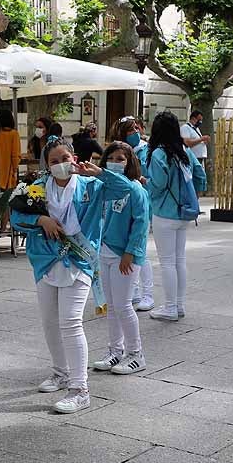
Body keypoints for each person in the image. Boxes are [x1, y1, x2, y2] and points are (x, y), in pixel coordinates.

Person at [11, 135, 133, 414]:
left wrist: (100, 172)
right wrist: (39, 219)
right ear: (47, 165)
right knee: (49, 321)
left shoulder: (92, 184)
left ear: (74, 156)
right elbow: (16, 216)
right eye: (54, 161)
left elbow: (126, 190)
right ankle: (60, 371)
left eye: (65, 159)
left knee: (70, 322)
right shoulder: (37, 187)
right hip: (45, 260)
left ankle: (80, 389)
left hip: (79, 260)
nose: (60, 165)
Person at [91, 141, 150, 376]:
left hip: (124, 255)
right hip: (104, 252)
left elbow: (141, 223)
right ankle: (116, 350)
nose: (115, 163)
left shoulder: (136, 189)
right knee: (112, 306)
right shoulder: (104, 187)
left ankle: (136, 354)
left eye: (121, 159)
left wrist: (130, 252)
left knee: (124, 305)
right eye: (111, 158)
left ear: (130, 163)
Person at [145, 111, 207, 320]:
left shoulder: (158, 154)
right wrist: (194, 195)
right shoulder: (184, 151)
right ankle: (179, 305)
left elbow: (158, 185)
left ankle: (170, 307)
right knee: (179, 260)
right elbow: (200, 175)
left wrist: (146, 185)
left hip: (164, 212)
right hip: (184, 213)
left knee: (167, 262)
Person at [108, 116, 154, 311]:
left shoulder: (146, 149)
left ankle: (148, 293)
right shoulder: (115, 151)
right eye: (130, 129)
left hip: (139, 202)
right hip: (118, 206)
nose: (136, 131)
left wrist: (143, 179)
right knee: (123, 246)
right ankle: (132, 290)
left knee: (139, 248)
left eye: (136, 128)